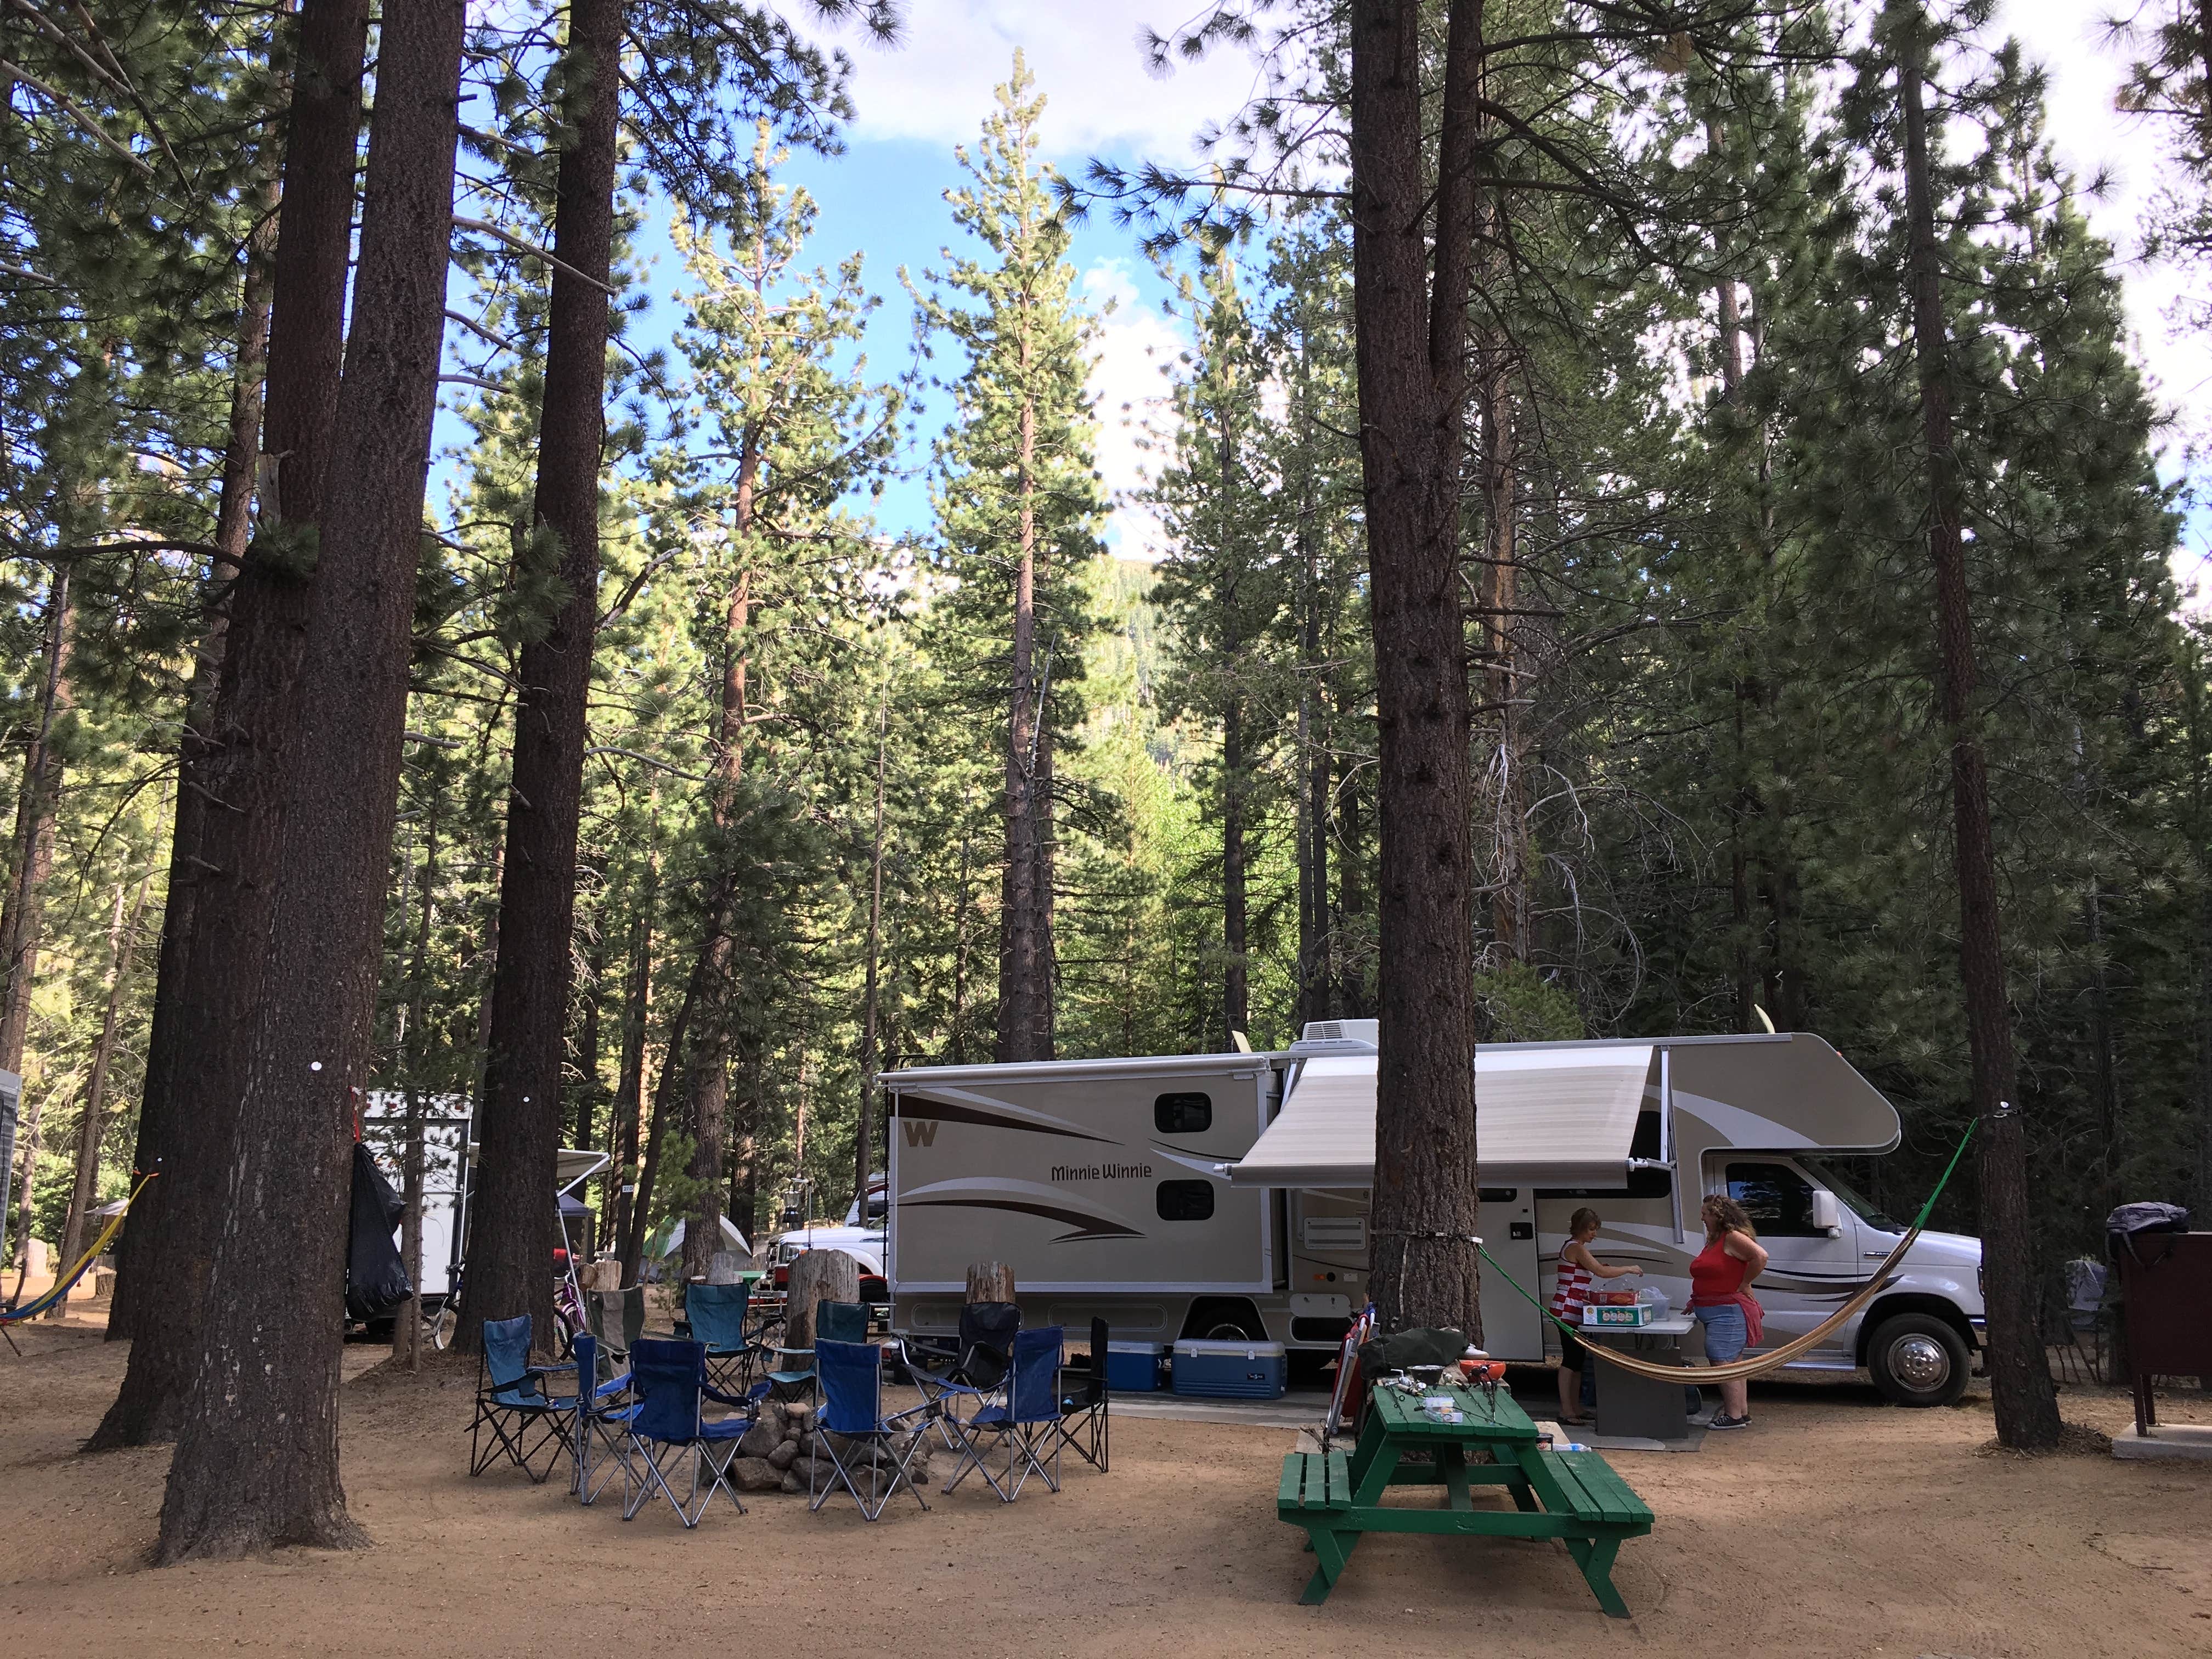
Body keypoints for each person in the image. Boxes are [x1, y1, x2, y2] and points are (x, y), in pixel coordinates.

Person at [1549, 1206, 1643, 1427]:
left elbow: (1595, 1269)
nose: (1595, 1234)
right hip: (1566, 1307)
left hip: (1573, 1307)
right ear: (1581, 1228)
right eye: (1592, 1229)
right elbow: (1601, 1272)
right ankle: (1566, 1410)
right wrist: (1629, 1268)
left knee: (1579, 1360)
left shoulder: (1577, 1247)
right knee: (1570, 1360)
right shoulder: (1575, 1247)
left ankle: (1576, 1407)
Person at [1689, 1194, 1769, 1430]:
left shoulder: (1732, 1237)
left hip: (1729, 1311)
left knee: (1721, 1359)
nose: (1702, 1217)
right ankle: (1741, 1412)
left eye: (1705, 1213)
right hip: (1715, 1309)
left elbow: (1761, 1256)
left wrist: (1744, 1282)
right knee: (1733, 1361)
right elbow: (1714, 1274)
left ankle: (1733, 1415)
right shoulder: (1714, 1240)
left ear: (1718, 1215)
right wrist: (1696, 1299)